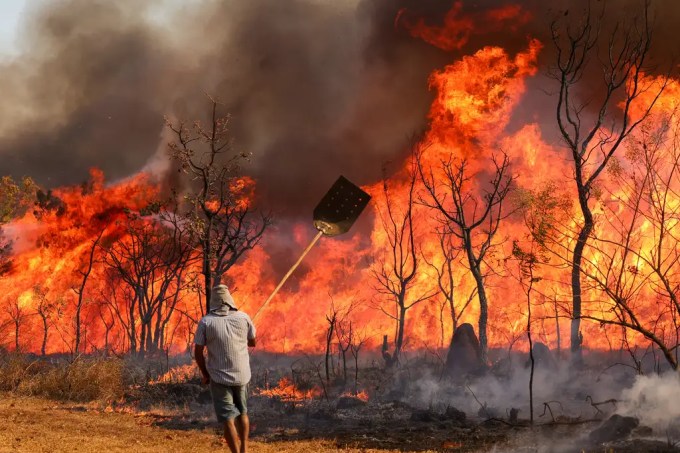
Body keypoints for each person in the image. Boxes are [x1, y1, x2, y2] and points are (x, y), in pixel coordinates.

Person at [194, 284, 256, 453]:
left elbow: (198, 352)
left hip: (219, 376)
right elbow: (253, 342)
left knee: (228, 417)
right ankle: (244, 448)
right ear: (230, 299)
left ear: (213, 301)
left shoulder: (206, 321)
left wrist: (205, 374)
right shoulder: (244, 317)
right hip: (242, 375)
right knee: (242, 412)